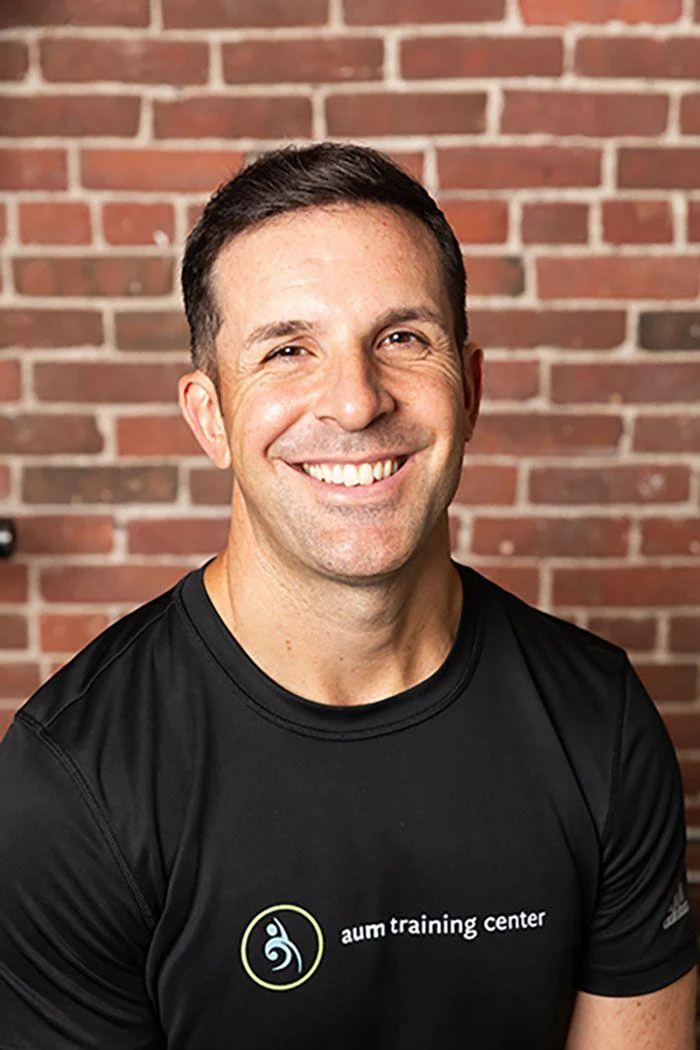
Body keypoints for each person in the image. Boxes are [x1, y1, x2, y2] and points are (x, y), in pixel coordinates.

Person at [0, 143, 696, 1050]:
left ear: (472, 390)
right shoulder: (75, 781)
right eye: (289, 350)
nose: (358, 401)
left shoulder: (597, 719)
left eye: (402, 338)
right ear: (210, 416)